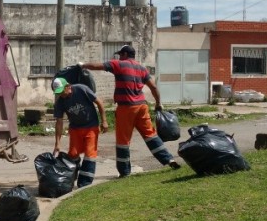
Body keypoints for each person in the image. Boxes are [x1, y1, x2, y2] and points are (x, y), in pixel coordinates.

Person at [80, 45, 181, 177]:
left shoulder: (119, 64)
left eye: (120, 55)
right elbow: (154, 87)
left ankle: (125, 172)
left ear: (125, 54)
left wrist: (82, 65)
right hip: (141, 107)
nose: (119, 57)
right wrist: (158, 103)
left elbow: (97, 66)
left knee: (123, 141)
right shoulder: (142, 68)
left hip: (126, 108)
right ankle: (168, 159)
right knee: (150, 135)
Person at [51, 77, 108, 188]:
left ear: (68, 86)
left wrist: (104, 121)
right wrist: (57, 143)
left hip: (91, 126)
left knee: (89, 155)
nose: (61, 95)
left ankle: (85, 184)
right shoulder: (60, 102)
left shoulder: (82, 89)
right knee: (73, 154)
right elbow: (59, 122)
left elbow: (99, 102)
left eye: (62, 91)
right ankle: (72, 177)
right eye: (58, 93)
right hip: (75, 129)